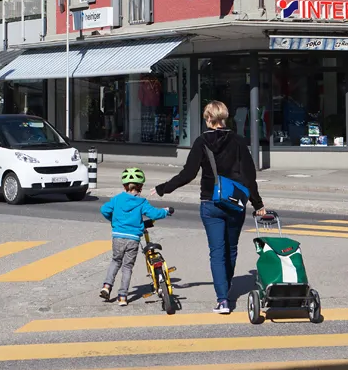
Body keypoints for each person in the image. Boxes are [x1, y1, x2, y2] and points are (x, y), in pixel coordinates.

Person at [155, 100, 265, 314]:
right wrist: (258, 204)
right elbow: (250, 176)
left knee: (217, 252)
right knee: (231, 249)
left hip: (210, 202)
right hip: (235, 203)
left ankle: (223, 300)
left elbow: (188, 174)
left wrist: (163, 188)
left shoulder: (201, 142)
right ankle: (226, 285)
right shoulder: (238, 141)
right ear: (224, 117)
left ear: (208, 119)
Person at [99, 167, 172, 306]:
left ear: (124, 186)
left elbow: (104, 210)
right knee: (127, 267)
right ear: (141, 187)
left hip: (118, 236)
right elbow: (155, 214)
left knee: (115, 261)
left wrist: (114, 222)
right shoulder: (142, 202)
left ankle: (107, 287)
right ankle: (122, 297)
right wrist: (166, 211)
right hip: (133, 239)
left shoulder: (117, 199)